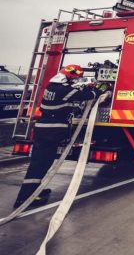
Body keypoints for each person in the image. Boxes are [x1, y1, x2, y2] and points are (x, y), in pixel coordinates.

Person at [13, 65, 101, 209]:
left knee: (38, 163)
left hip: (42, 129)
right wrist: (100, 90)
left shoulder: (51, 87)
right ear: (70, 77)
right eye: (75, 78)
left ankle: (34, 192)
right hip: (52, 131)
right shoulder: (66, 90)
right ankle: (25, 199)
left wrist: (84, 87)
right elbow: (89, 95)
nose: (76, 80)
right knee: (42, 164)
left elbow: (73, 93)